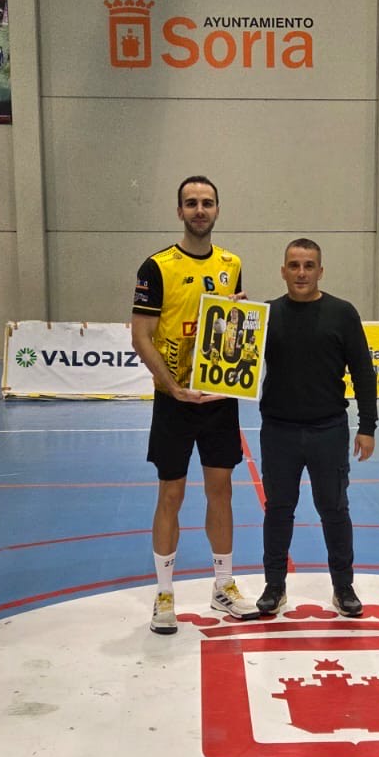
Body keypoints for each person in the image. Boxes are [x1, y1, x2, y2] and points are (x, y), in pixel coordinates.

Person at [131, 175, 260, 634]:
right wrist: (170, 386)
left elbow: (232, 328)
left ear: (218, 209)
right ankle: (164, 594)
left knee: (221, 491)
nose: (199, 210)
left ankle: (223, 585)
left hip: (218, 401)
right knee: (171, 493)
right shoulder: (157, 267)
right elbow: (140, 335)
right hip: (174, 399)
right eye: (191, 203)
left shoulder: (232, 264)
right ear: (180, 211)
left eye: (207, 203)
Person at [256, 239, 378, 617]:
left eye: (309, 265)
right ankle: (274, 587)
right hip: (278, 431)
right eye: (294, 265)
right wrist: (227, 315)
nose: (302, 272)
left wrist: (368, 426)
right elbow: (232, 361)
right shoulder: (266, 314)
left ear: (321, 271)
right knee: (278, 510)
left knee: (334, 509)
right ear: (283, 270)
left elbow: (362, 372)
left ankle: (344, 587)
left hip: (329, 430)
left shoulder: (342, 313)